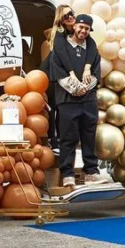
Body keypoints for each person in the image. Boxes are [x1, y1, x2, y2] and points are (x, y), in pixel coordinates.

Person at [49, 13, 109, 188]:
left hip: (88, 101)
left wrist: (85, 88)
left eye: (87, 29)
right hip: (67, 100)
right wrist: (75, 88)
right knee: (68, 137)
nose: (83, 31)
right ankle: (67, 174)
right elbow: (58, 72)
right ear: (74, 26)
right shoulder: (61, 48)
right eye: (81, 27)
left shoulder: (92, 50)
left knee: (89, 137)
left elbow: (96, 74)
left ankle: (91, 172)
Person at [38, 5, 75, 150]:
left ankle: (58, 139)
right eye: (66, 16)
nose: (70, 17)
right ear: (61, 19)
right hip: (51, 74)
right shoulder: (60, 33)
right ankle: (53, 140)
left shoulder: (72, 32)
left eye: (71, 13)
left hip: (59, 73)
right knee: (55, 107)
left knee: (60, 107)